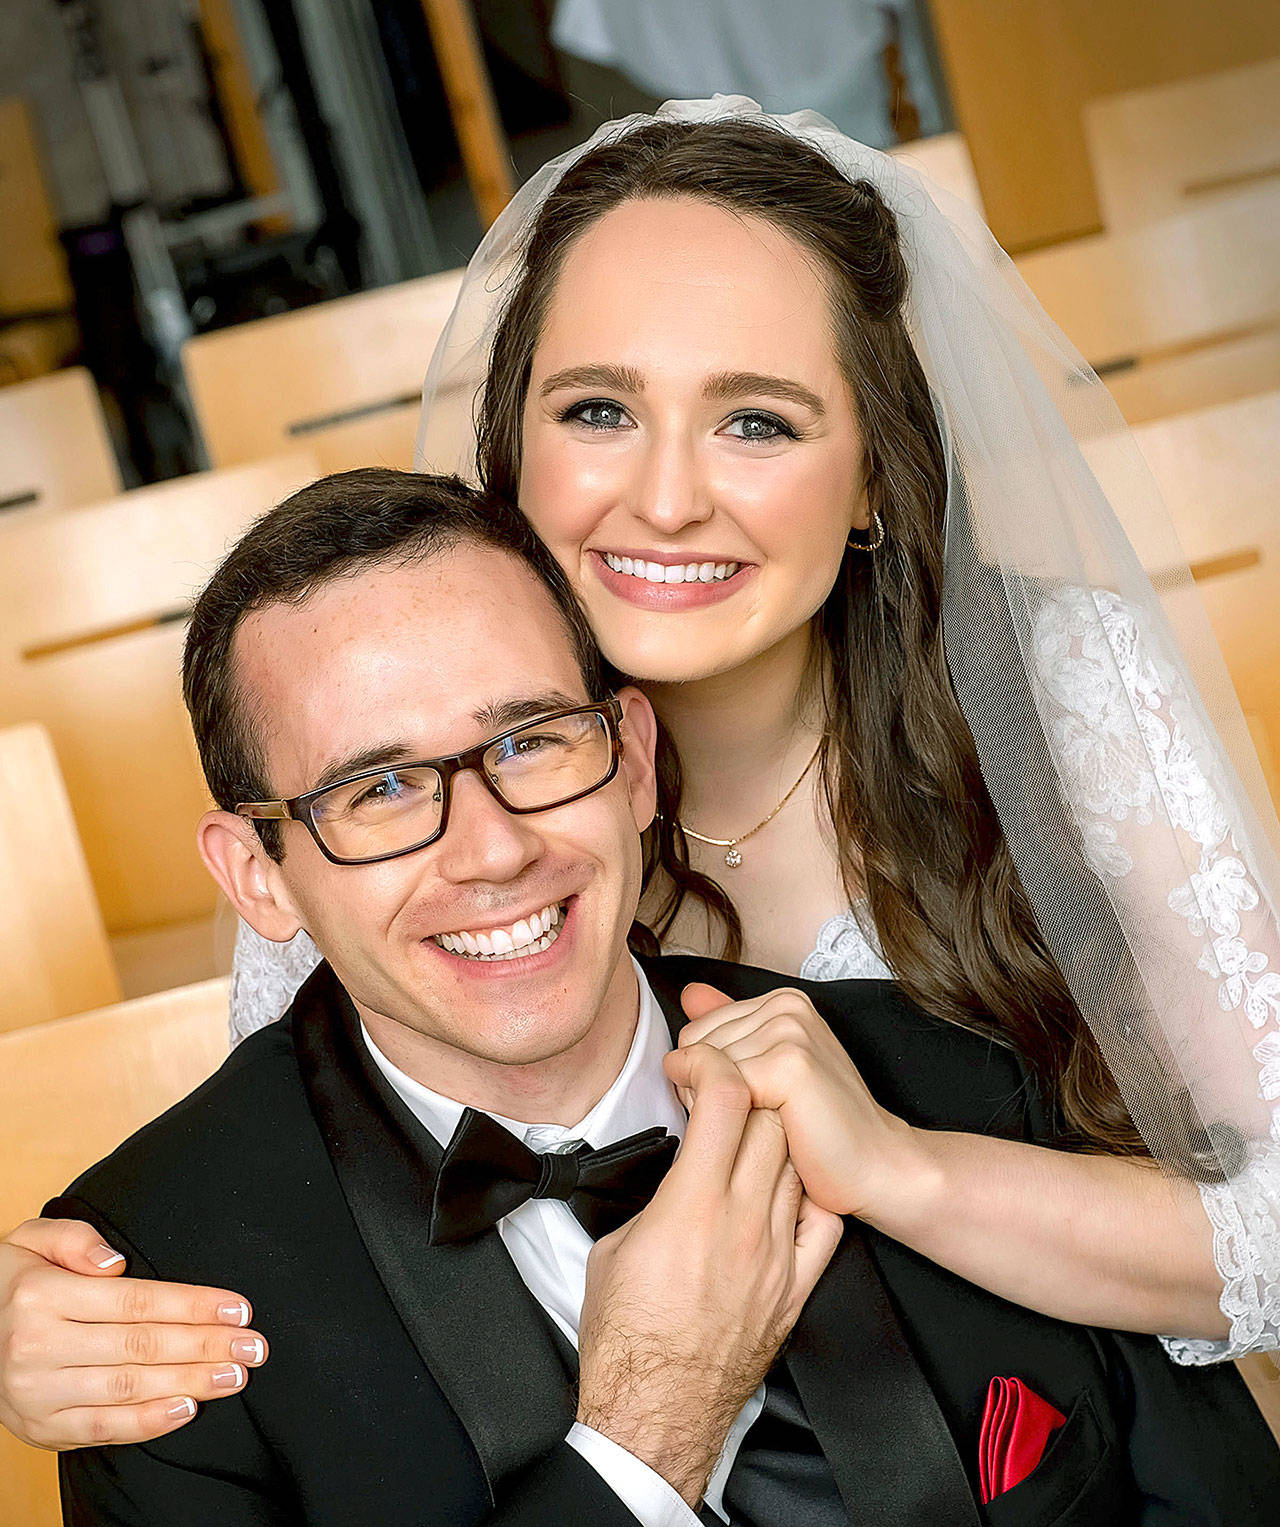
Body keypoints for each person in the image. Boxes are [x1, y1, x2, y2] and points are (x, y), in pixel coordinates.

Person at [54, 468, 1280, 1527]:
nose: (492, 844)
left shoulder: (956, 1078)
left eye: (532, 740)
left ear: (634, 756)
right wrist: (641, 1440)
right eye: (376, 790)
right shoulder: (152, 1286)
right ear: (261, 874)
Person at [5, 97, 1280, 1449]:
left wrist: (909, 1175)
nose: (666, 500)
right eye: (601, 409)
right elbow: (314, 1246)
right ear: (510, 449)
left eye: (759, 424)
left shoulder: (1059, 683)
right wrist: (63, 1322)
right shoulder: (394, 824)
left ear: (870, 484)